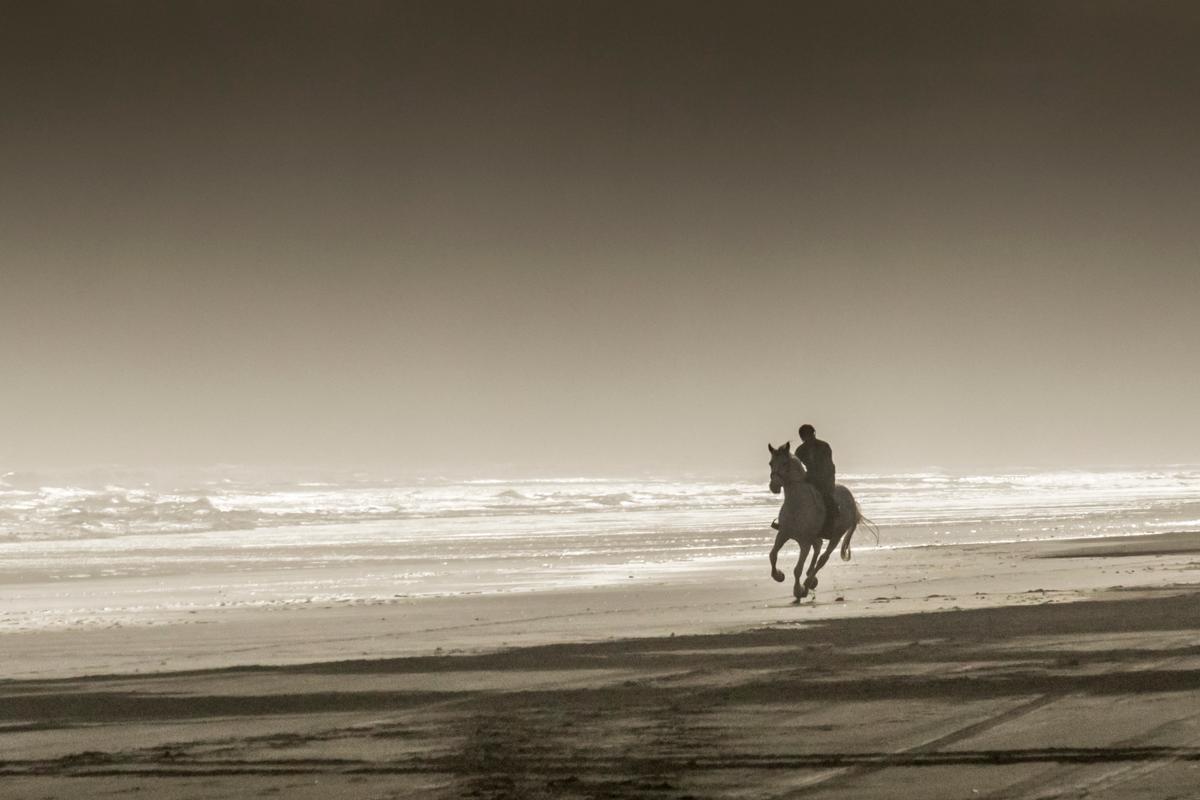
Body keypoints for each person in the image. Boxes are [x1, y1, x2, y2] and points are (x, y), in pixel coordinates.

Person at [771, 423, 840, 534]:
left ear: (813, 434)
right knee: (795, 494)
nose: (807, 438)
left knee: (826, 497)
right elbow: (798, 466)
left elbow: (827, 465)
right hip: (810, 477)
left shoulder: (824, 446)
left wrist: (815, 476)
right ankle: (787, 522)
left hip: (825, 477)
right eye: (804, 436)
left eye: (809, 435)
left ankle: (830, 525)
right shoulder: (800, 450)